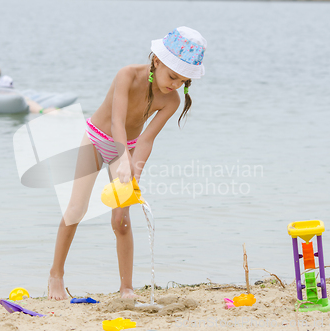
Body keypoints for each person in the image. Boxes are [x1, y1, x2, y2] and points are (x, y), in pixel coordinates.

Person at [48, 27, 207, 300]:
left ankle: (126, 287)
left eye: (182, 80)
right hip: (97, 139)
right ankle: (56, 275)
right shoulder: (127, 75)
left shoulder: (171, 100)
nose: (174, 84)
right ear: (157, 60)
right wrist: (121, 158)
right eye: (172, 76)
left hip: (131, 148)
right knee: (76, 209)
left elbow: (146, 140)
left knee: (121, 220)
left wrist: (134, 169)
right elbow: (115, 122)